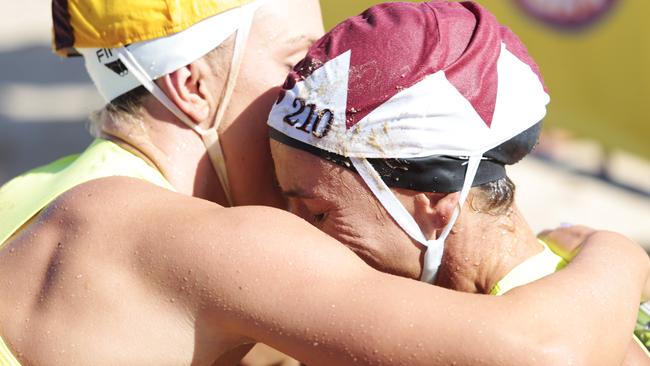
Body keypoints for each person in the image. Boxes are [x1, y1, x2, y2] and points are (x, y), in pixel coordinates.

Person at [0, 0, 647, 365]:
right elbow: (548, 356)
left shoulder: (32, 196)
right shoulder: (211, 244)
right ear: (190, 86)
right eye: (293, 64)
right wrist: (617, 255)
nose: (309, 95)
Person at [268, 1, 650, 364]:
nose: (292, 234)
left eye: (318, 214)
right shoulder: (592, 282)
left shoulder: (571, 336)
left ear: (434, 200)